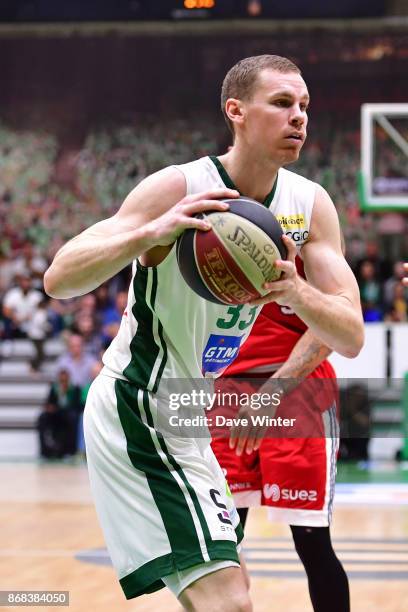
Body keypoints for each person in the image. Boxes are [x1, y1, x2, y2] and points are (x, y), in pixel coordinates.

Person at [44, 54, 363, 610]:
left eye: (304, 106)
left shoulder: (308, 204)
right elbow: (59, 278)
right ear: (235, 111)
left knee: (228, 587)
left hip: (193, 413)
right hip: (141, 402)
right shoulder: (179, 186)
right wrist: (150, 231)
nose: (299, 118)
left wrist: (294, 291)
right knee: (228, 599)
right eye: (283, 103)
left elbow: (351, 334)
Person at [211, 258, 350, 612]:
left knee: (312, 542)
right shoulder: (202, 221)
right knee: (219, 545)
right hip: (224, 392)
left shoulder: (309, 213)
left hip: (298, 388)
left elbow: (339, 324)